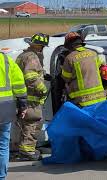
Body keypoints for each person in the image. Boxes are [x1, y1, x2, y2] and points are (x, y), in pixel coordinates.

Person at [16, 33, 49, 161]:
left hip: (23, 96)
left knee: (26, 124)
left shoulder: (24, 55)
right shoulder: (32, 57)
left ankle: (25, 149)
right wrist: (43, 89)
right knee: (33, 122)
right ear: (39, 46)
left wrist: (44, 74)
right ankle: (27, 152)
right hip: (31, 97)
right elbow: (30, 77)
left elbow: (32, 71)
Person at [0, 53, 27, 180]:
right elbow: (19, 83)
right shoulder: (6, 59)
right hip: (4, 108)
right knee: (3, 145)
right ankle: (1, 176)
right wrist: (22, 105)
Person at [61, 32, 106, 107]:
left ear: (70, 45)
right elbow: (99, 69)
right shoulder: (94, 54)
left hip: (83, 100)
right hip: (100, 97)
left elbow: (66, 78)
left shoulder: (70, 58)